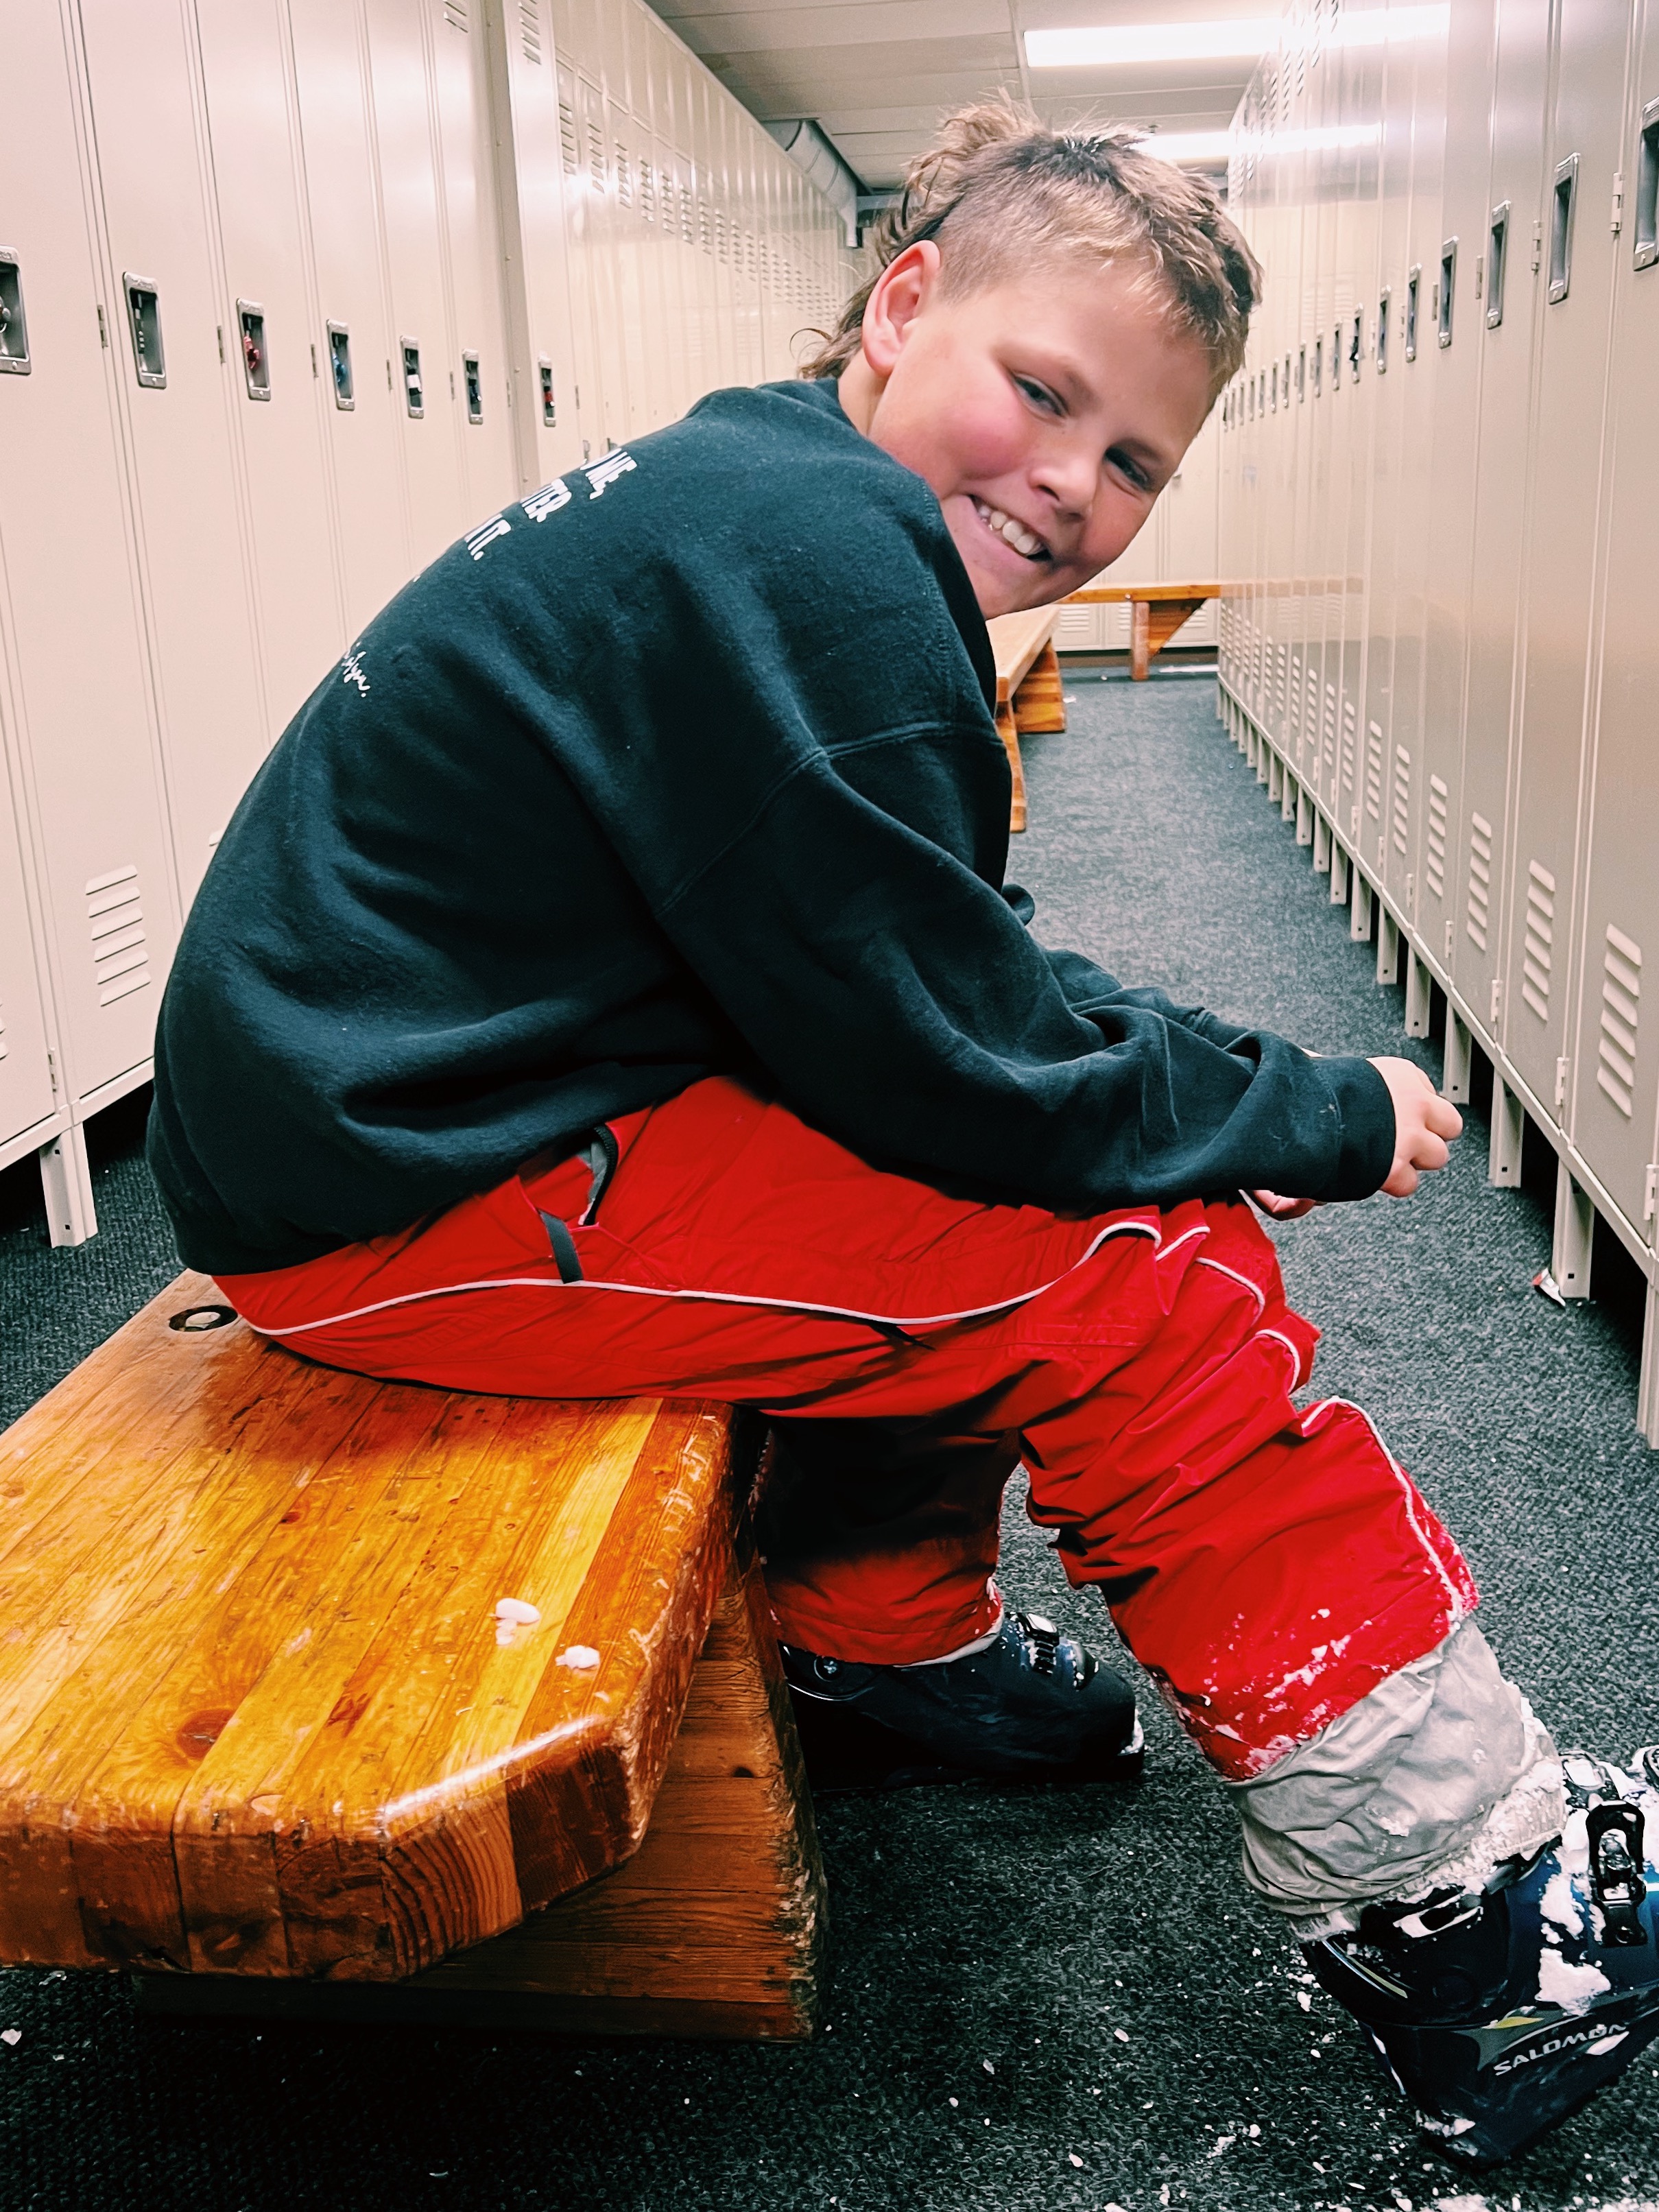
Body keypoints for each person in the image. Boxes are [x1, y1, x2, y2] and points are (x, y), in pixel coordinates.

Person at [146, 100, 1659, 2169]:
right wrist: (1299, 1106)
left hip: (453, 1103)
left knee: (1011, 1200)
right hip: (408, 1183)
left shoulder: (780, 489)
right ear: (902, 300)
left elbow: (937, 978)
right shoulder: (820, 559)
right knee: (1128, 1273)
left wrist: (1204, 1078)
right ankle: (1474, 1926)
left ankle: (879, 1647)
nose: (1071, 481)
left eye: (1135, 461)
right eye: (1040, 392)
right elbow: (961, 1069)